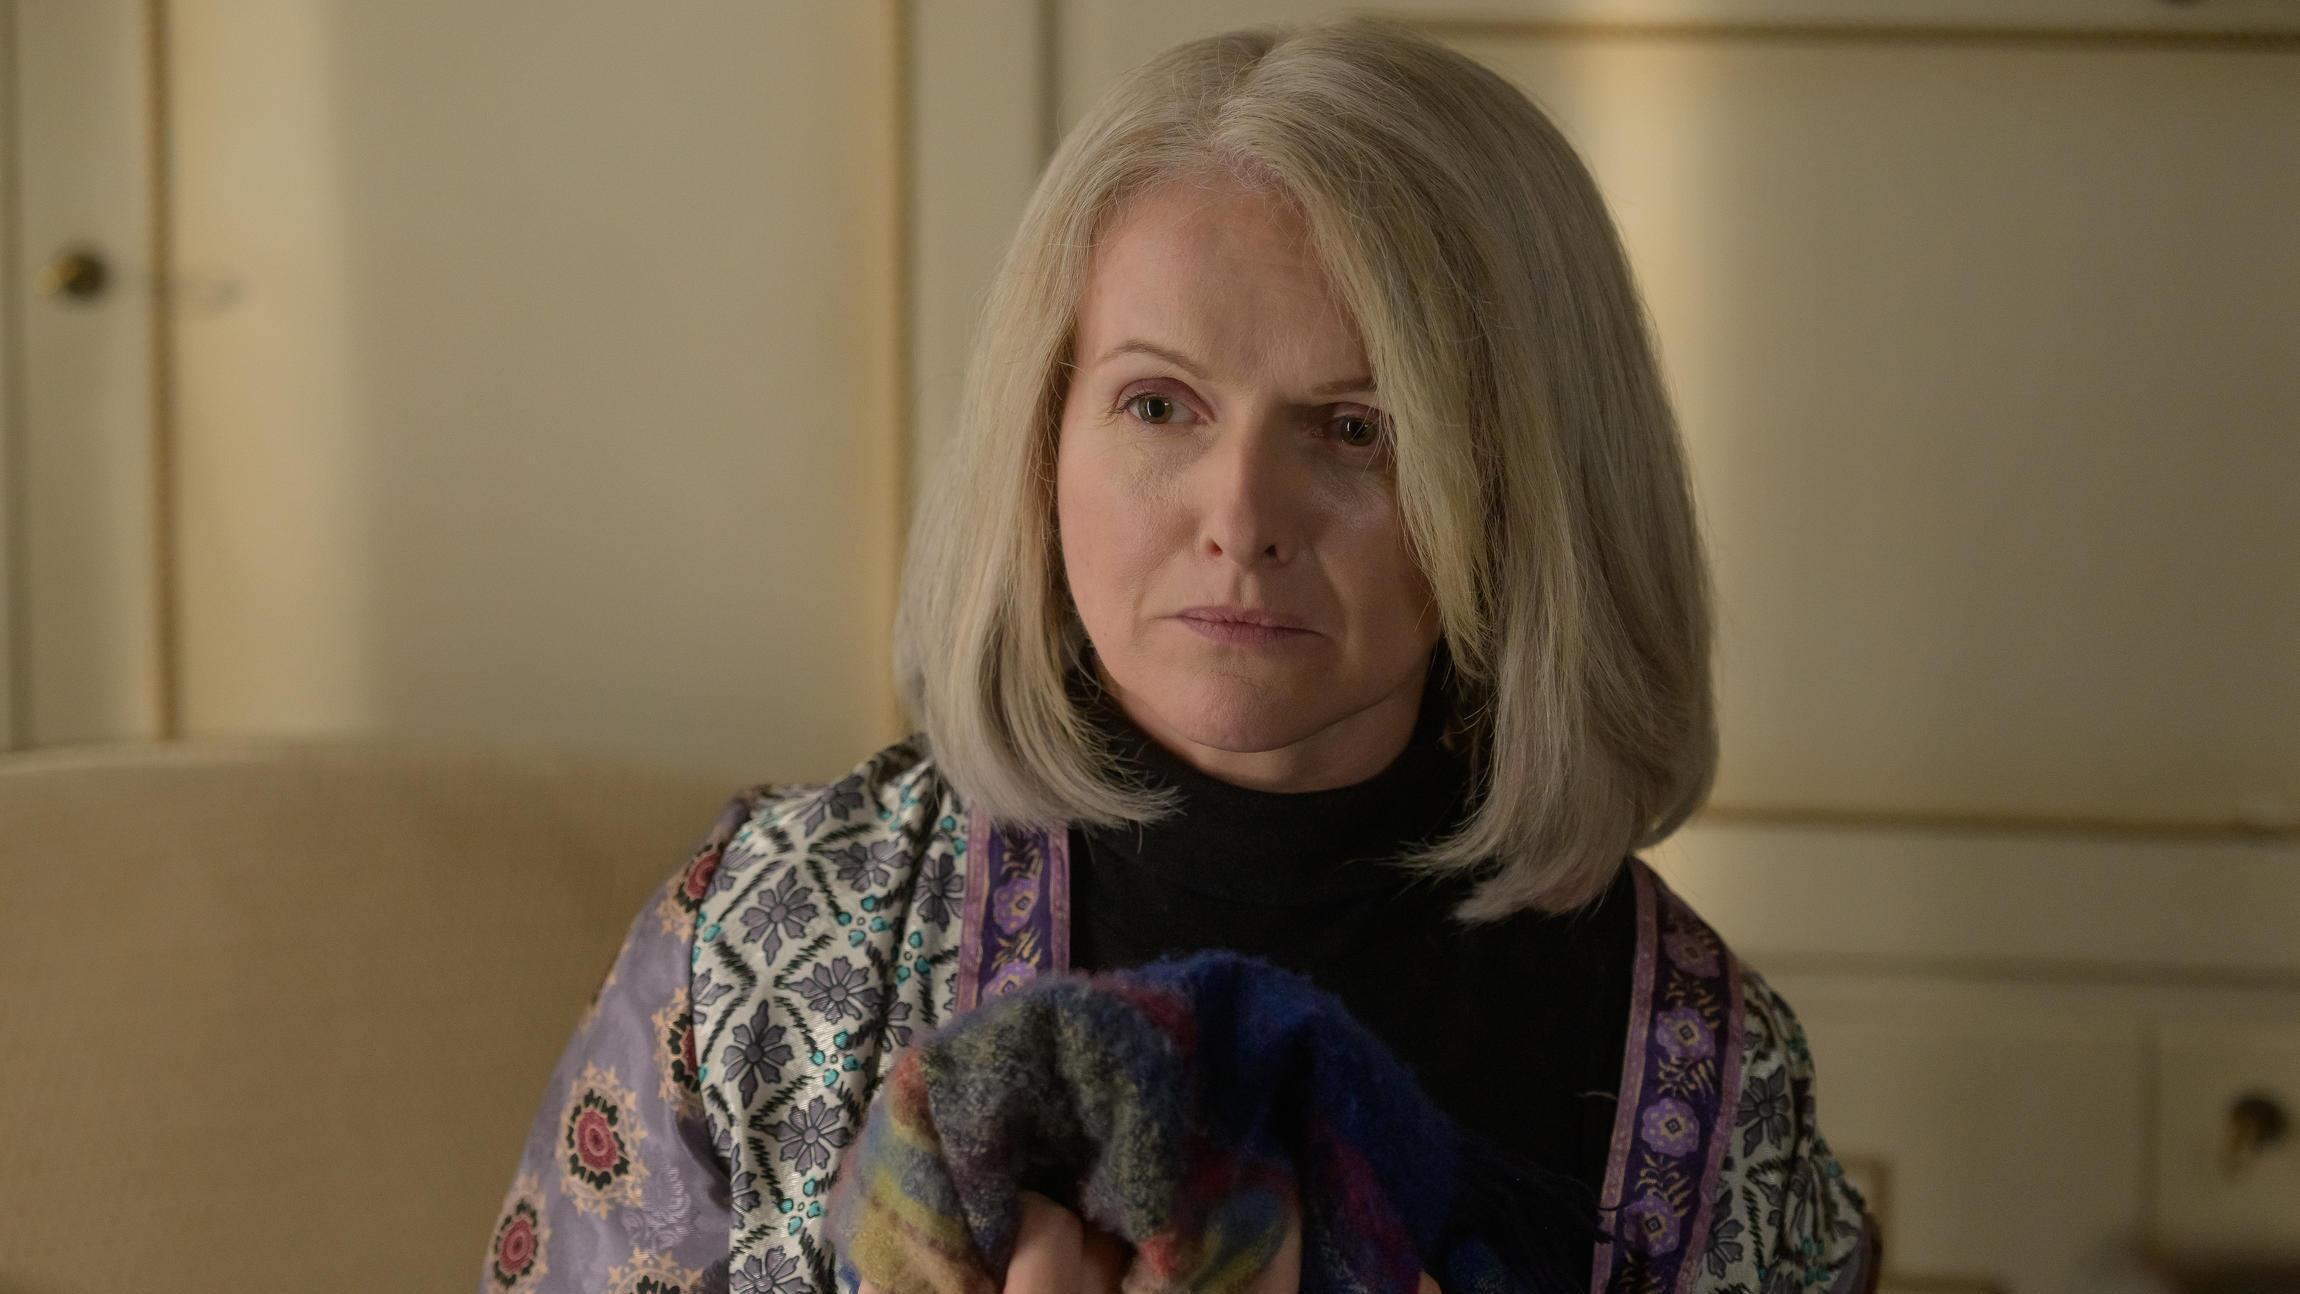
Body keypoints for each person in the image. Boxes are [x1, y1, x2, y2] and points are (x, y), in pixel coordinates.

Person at [479, 16, 1879, 1294]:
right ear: (1043, 436)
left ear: (1527, 491)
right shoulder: (767, 930)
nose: (1240, 519)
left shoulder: (1704, 1067)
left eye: (1357, 430)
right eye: (1159, 405)